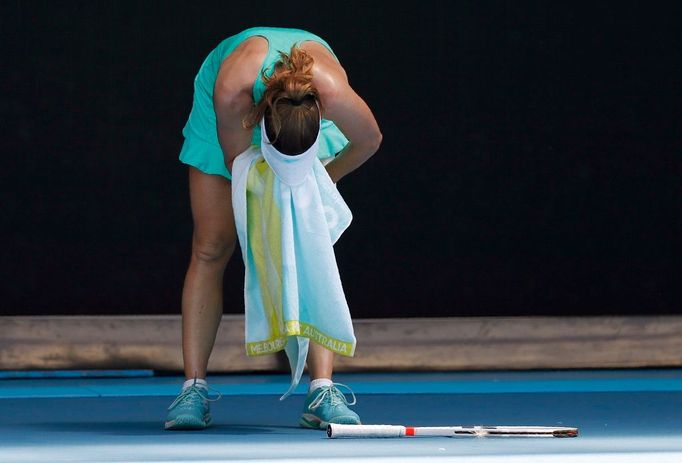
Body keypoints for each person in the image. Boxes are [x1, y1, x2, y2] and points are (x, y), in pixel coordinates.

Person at [164, 26, 382, 431]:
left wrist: (321, 182)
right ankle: (192, 388)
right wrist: (269, 211)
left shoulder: (331, 92)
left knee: (311, 242)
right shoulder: (231, 90)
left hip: (297, 114)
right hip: (226, 122)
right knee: (211, 246)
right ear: (262, 124)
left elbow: (369, 140)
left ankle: (322, 389)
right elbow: (236, 164)